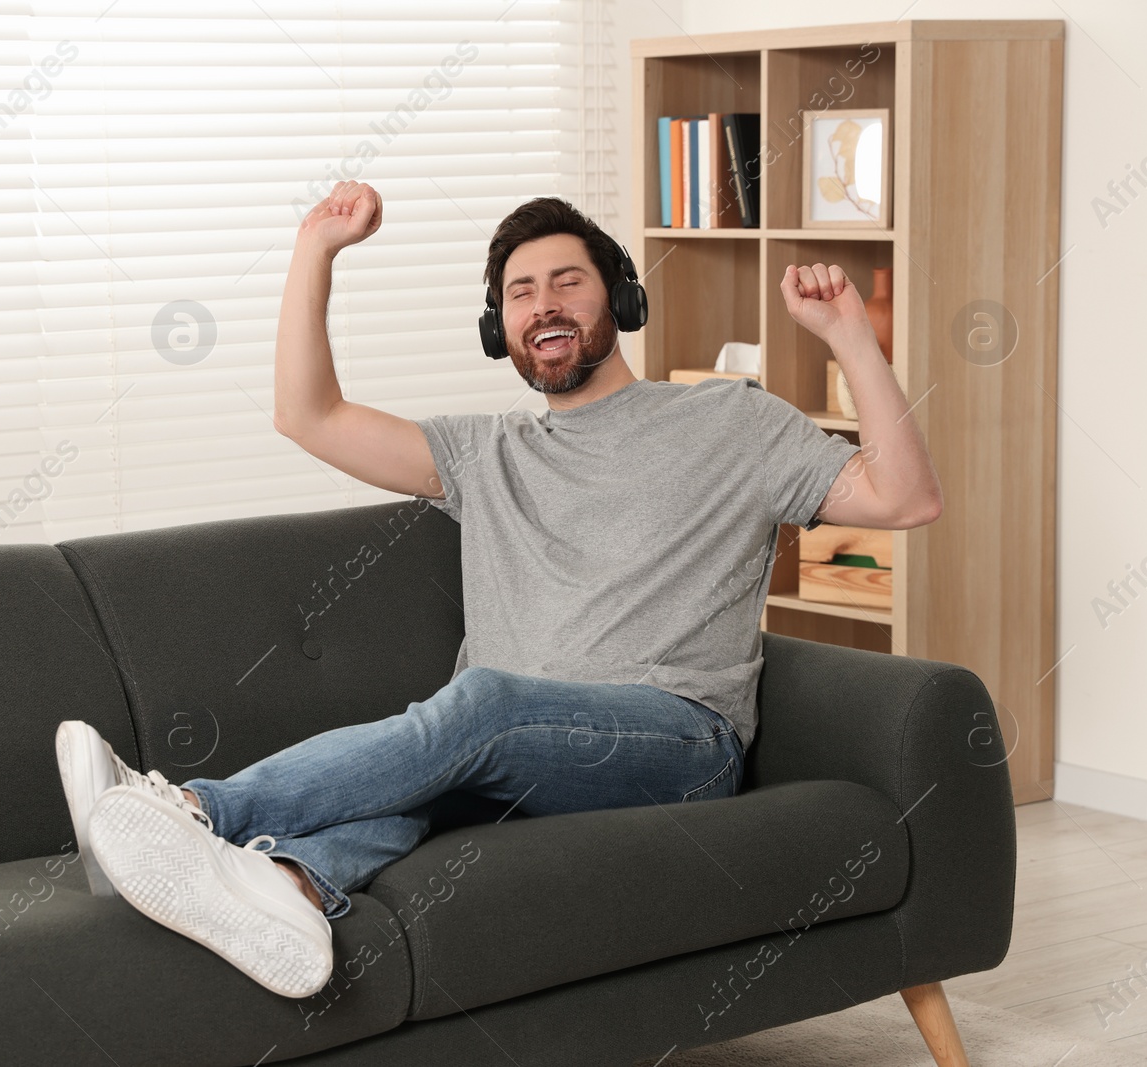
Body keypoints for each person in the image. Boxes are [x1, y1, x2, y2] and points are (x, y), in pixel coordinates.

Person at [55, 181, 944, 999]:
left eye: (568, 282)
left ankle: (191, 808)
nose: (544, 304)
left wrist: (849, 336)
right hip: (513, 758)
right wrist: (314, 247)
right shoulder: (486, 455)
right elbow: (307, 415)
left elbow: (907, 495)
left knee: (476, 706)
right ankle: (286, 892)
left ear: (621, 299)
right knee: (431, 780)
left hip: (678, 741)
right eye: (521, 293)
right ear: (500, 331)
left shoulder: (729, 419)